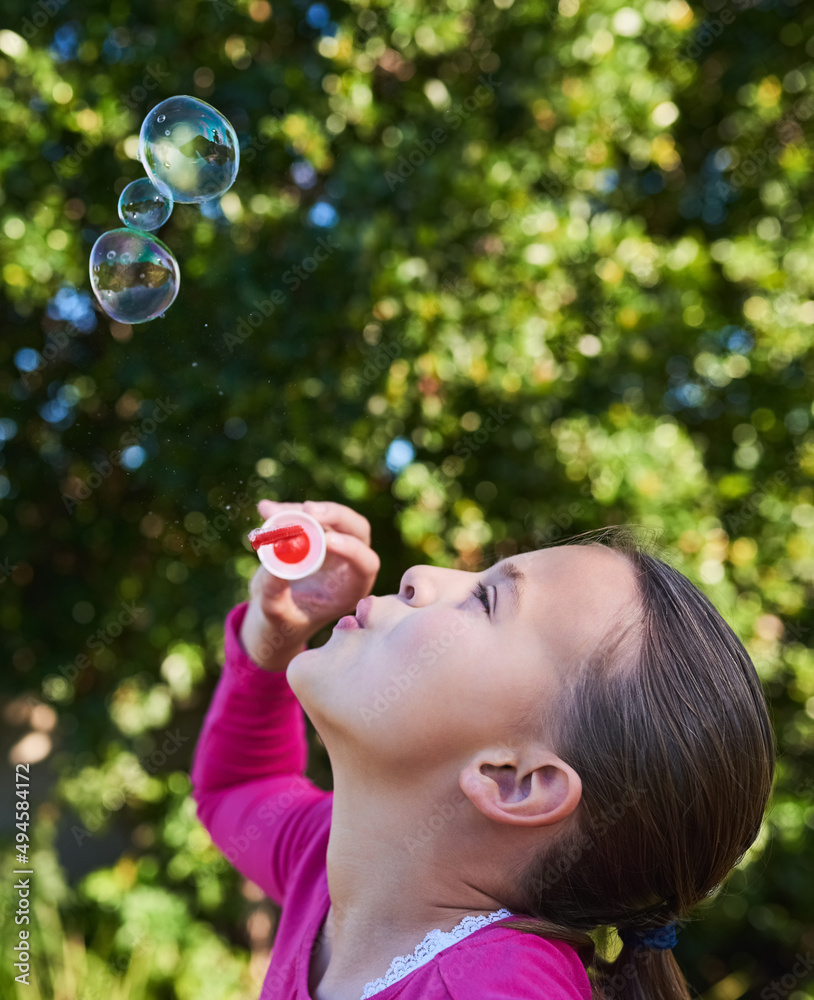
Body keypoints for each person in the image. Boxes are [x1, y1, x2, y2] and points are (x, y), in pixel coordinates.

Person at [190, 499, 776, 1000]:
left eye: (486, 601)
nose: (419, 574)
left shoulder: (502, 986)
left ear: (513, 781)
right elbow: (242, 789)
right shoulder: (326, 864)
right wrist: (273, 639)